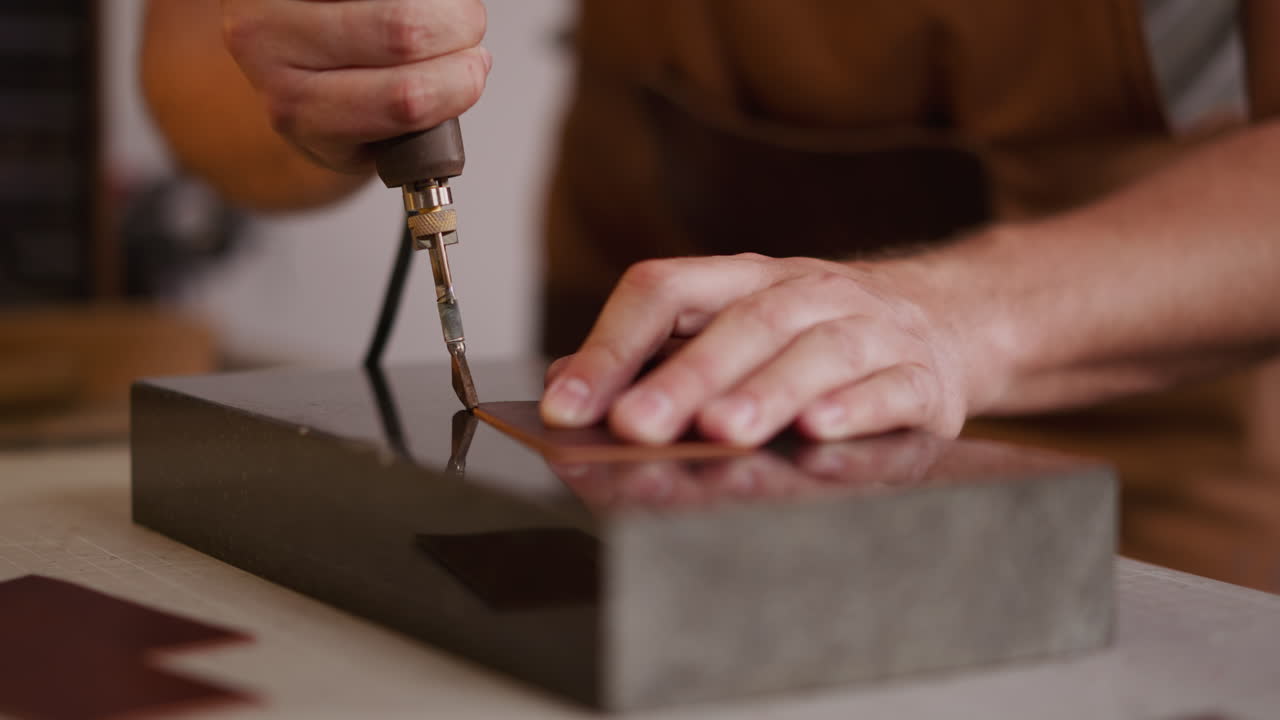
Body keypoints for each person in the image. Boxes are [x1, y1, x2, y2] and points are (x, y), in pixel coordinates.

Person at [142, 0, 1280, 448]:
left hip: (1117, 435)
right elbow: (194, 58)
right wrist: (326, 73)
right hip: (621, 411)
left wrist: (956, 318)